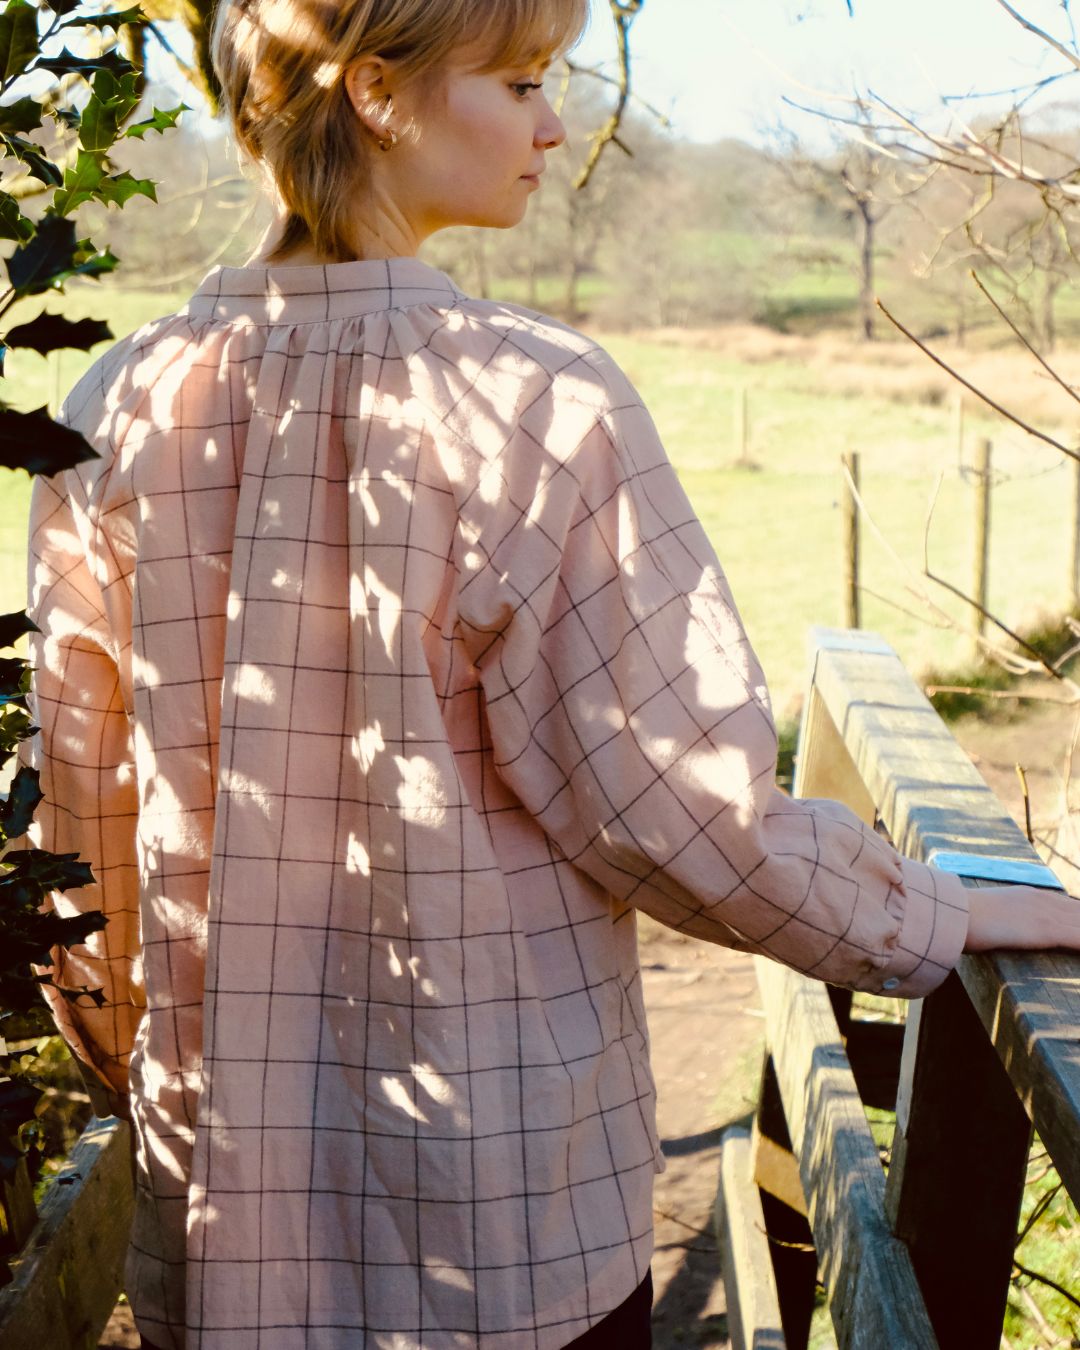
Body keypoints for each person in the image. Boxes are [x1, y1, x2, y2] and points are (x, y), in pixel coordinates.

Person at [25, 0, 1080, 1346]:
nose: (554, 125)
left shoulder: (114, 405)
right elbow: (676, 809)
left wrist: (149, 1065)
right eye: (520, 81)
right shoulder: (539, 403)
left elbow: (80, 823)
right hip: (503, 1222)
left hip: (229, 1220)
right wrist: (935, 909)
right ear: (376, 95)